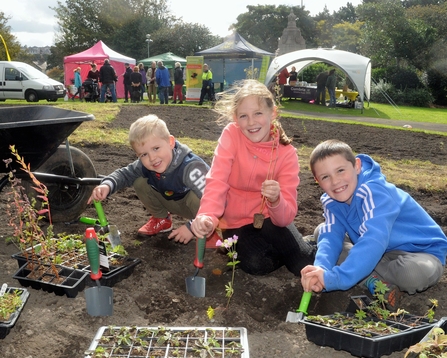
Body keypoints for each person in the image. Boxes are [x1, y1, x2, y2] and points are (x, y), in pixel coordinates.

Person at [301, 140, 447, 309]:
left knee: (412, 275)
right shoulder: (331, 201)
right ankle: (372, 280)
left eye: (340, 170)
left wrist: (335, 279)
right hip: (378, 254)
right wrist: (320, 271)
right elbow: (331, 238)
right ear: (317, 180)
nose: (335, 182)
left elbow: (373, 239)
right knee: (322, 231)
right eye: (325, 177)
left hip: (418, 253)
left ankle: (364, 273)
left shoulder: (374, 191)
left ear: (356, 166)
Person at [191, 79, 316, 276]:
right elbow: (217, 180)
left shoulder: (286, 153)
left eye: (258, 113)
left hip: (269, 218)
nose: (251, 122)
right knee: (256, 264)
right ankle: (289, 247)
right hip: (235, 224)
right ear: (235, 118)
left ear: (272, 113)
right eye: (243, 116)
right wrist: (207, 214)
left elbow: (286, 216)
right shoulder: (231, 135)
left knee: (303, 262)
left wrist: (276, 200)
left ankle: (312, 241)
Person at [88, 115, 211, 245]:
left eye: (156, 148)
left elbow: (213, 200)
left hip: (204, 210)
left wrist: (192, 227)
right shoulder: (145, 164)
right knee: (139, 180)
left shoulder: (191, 167)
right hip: (173, 200)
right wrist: (107, 185)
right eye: (144, 154)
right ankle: (161, 220)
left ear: (170, 142)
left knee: (199, 197)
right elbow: (125, 174)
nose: (152, 158)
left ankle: (209, 230)